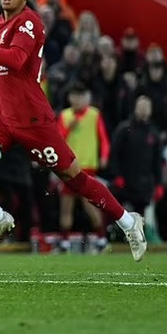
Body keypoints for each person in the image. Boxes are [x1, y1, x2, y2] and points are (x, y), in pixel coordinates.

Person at [0, 0, 146, 260]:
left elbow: (16, 61)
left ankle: (128, 222)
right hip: (3, 117)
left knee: (75, 179)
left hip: (33, 121)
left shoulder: (30, 22)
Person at [56, 83, 111, 253]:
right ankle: (64, 240)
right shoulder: (64, 116)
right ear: (70, 98)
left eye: (81, 96)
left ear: (87, 97)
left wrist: (104, 156)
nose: (77, 100)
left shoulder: (94, 115)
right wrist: (68, 129)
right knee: (66, 204)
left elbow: (103, 138)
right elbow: (58, 139)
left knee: (89, 204)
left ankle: (101, 237)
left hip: (87, 167)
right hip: (68, 167)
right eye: (74, 96)